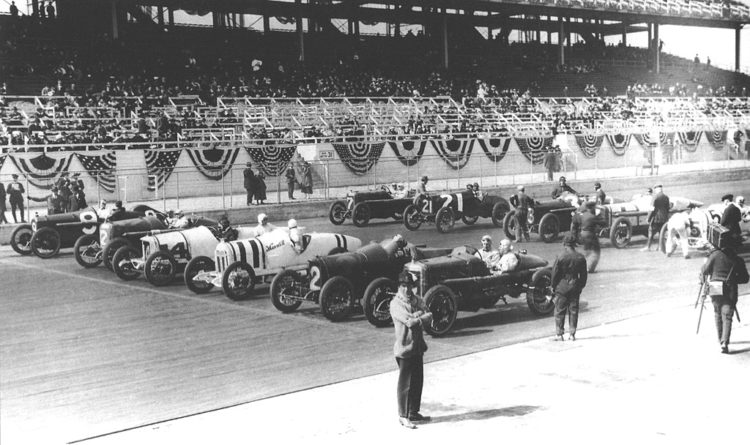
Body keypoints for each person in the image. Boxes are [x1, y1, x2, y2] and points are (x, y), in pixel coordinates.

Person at [390, 270, 433, 429]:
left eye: (409, 286)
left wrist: (418, 316)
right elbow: (409, 321)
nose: (407, 289)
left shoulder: (416, 299)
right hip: (405, 349)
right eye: (403, 286)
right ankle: (403, 415)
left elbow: (430, 315)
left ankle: (413, 412)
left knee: (417, 381)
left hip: (417, 347)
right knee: (405, 384)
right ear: (399, 286)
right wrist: (421, 315)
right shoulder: (396, 304)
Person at [701, 239, 749, 354]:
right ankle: (724, 342)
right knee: (727, 316)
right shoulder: (738, 260)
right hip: (730, 290)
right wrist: (733, 280)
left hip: (715, 287)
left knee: (717, 312)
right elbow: (745, 279)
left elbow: (704, 271)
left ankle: (720, 339)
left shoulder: (714, 255)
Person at [550, 235, 588, 341]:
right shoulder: (580, 257)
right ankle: (572, 334)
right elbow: (584, 275)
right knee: (574, 310)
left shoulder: (560, 257)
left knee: (559, 311)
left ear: (564, 244)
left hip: (562, 286)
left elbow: (555, 274)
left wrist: (553, 286)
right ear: (574, 244)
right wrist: (580, 286)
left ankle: (559, 334)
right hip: (575, 286)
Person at [571, 201, 606, 273]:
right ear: (592, 207)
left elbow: (575, 221)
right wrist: (601, 215)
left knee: (587, 251)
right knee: (596, 252)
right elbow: (603, 223)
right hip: (590, 235)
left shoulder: (582, 215)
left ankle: (579, 266)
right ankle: (590, 269)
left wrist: (575, 235)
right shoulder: (593, 216)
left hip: (582, 234)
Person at [642, 185, 670, 251]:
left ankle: (648, 247)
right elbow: (667, 208)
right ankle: (660, 247)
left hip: (656, 218)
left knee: (651, 232)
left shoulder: (655, 197)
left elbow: (652, 209)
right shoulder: (666, 197)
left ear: (656, 189)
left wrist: (648, 218)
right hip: (664, 218)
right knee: (661, 233)